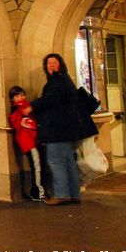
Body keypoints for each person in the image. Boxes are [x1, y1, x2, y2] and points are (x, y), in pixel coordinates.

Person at [22, 53, 85, 205]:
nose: (51, 65)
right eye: (48, 63)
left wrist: (32, 107)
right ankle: (74, 194)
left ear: (60, 64)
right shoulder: (64, 80)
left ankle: (62, 194)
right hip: (66, 129)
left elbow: (48, 100)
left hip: (58, 129)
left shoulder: (58, 81)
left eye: (54, 62)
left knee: (56, 161)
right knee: (68, 161)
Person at [8, 86, 46, 201]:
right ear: (12, 99)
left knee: (38, 165)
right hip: (28, 142)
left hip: (33, 140)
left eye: (22, 95)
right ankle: (38, 192)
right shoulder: (18, 111)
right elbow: (16, 124)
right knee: (36, 165)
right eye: (17, 96)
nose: (21, 98)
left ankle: (38, 191)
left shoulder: (29, 108)